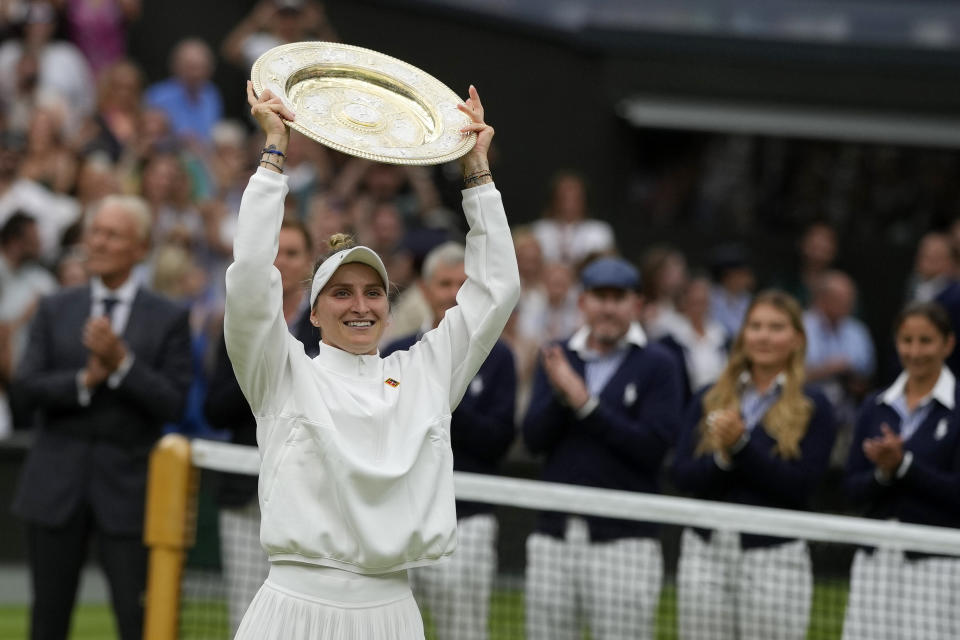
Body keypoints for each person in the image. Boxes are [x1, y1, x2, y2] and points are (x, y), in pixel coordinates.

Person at [225, 81, 518, 639]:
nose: (360, 306)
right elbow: (247, 284)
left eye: (373, 292)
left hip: (390, 613)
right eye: (341, 293)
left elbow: (495, 289)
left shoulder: (425, 372)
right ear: (312, 312)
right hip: (292, 607)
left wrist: (477, 171)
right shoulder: (282, 373)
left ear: (390, 304)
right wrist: (273, 155)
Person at [11, 194, 192, 640]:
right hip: (55, 487)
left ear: (140, 248)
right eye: (95, 231)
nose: (99, 242)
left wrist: (123, 364)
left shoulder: (169, 317)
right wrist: (86, 380)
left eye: (112, 234)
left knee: (137, 621)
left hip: (129, 493)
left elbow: (174, 403)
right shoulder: (55, 307)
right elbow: (25, 389)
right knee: (46, 621)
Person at [522, 256, 683, 640]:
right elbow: (532, 439)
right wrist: (561, 396)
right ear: (583, 303)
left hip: (625, 542)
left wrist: (584, 401)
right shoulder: (558, 354)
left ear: (637, 305)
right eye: (599, 296)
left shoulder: (661, 364)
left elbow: (652, 448)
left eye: (618, 297)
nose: (608, 307)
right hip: (554, 538)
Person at [672, 290, 836, 640]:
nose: (763, 336)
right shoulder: (708, 397)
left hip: (775, 558)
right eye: (756, 326)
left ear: (797, 339)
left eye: (776, 327)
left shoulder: (815, 406)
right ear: (743, 334)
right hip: (705, 553)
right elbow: (683, 475)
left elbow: (800, 485)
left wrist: (741, 446)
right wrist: (724, 458)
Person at [382, 241, 516, 640]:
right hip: (401, 517)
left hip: (468, 520)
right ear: (426, 290)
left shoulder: (499, 356)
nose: (454, 294)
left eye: (464, 283)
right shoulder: (395, 353)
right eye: (444, 283)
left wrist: (438, 396)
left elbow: (497, 441)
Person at [205, 217, 320, 635]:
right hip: (244, 491)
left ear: (309, 262)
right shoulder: (240, 324)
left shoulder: (330, 322)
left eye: (292, 254)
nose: (282, 263)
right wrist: (261, 363)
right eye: (275, 253)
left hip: (312, 492)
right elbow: (215, 409)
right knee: (246, 609)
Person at [842, 302, 960, 640]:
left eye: (926, 340)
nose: (915, 351)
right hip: (875, 563)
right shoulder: (874, 406)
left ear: (947, 344)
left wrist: (905, 466)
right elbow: (851, 489)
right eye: (907, 340)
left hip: (939, 567)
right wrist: (884, 474)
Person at [144, 38, 223, 146]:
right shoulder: (158, 95)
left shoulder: (211, 93)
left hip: (206, 155)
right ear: (176, 67)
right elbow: (152, 136)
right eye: (191, 67)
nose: (196, 74)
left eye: (202, 68)